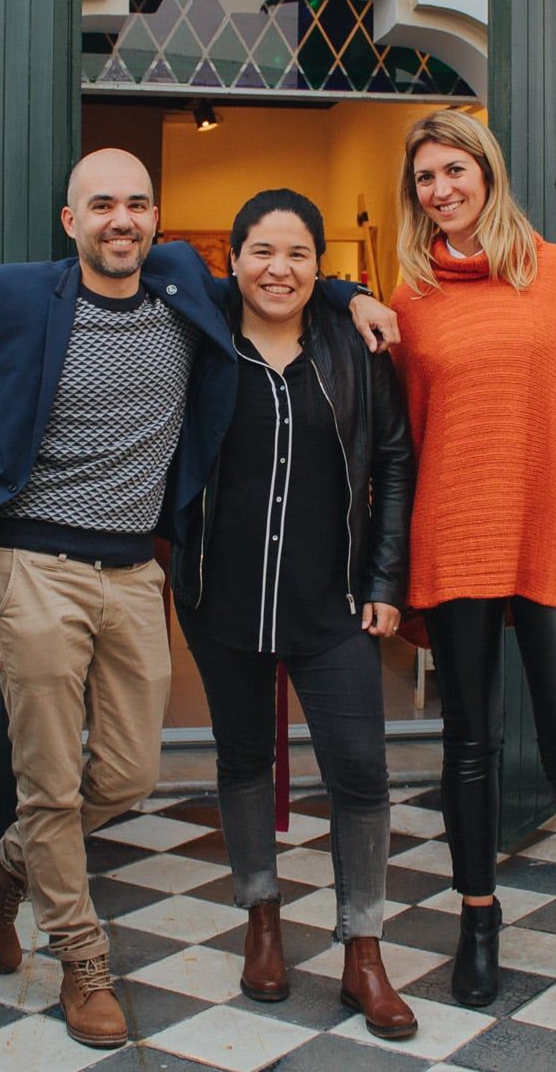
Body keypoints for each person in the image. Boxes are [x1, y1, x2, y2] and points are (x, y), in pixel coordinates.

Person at [0, 148, 397, 1049]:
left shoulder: (183, 285)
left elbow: (277, 275)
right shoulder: (14, 294)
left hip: (135, 571)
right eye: (102, 204)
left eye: (138, 204)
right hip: (32, 564)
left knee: (127, 774)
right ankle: (82, 962)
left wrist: (350, 293)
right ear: (70, 220)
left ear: (157, 219)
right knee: (50, 781)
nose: (122, 219)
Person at [386, 109, 556, 1023]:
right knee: (468, 743)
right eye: (425, 178)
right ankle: (478, 924)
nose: (441, 189)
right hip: (456, 532)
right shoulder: (411, 297)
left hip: (554, 531)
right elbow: (404, 440)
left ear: (487, 173)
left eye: (454, 170)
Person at [168, 189, 417, 1040]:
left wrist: (386, 580)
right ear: (233, 259)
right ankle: (263, 921)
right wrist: (350, 286)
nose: (280, 269)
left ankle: (364, 951)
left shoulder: (354, 345)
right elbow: (163, 265)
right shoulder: (202, 336)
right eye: (263, 252)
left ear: (320, 264)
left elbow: (393, 458)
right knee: (243, 759)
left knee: (361, 771)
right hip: (223, 600)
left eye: (300, 254)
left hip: (332, 602)